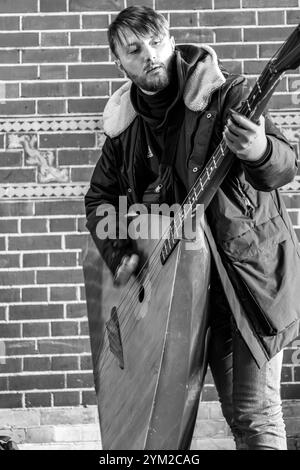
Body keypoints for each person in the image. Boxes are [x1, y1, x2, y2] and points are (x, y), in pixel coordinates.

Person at [85, 5, 300, 450]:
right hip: (178, 294)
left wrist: (259, 149)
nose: (150, 55)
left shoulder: (225, 94)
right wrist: (120, 253)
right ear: (119, 62)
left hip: (243, 282)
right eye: (134, 50)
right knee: (229, 421)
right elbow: (99, 200)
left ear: (170, 37)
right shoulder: (124, 129)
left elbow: (284, 166)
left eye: (156, 42)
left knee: (254, 415)